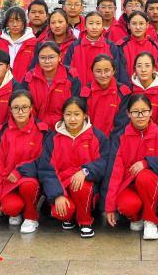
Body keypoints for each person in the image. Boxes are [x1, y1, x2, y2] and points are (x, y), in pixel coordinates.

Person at [103, 93, 158, 240]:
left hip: (155, 186)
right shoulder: (120, 137)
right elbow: (114, 173)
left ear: (151, 112)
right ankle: (137, 217)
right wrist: (109, 206)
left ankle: (150, 221)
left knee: (144, 176)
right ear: (128, 114)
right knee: (127, 206)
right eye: (135, 112)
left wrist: (147, 163)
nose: (140, 116)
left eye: (144, 111)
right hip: (128, 186)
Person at [38, 97, 109, 238]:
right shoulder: (53, 138)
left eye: (77, 114)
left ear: (85, 115)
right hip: (61, 186)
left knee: (80, 186)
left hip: (86, 187)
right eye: (68, 114)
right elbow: (46, 169)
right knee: (61, 212)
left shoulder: (97, 136)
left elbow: (104, 161)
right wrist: (57, 194)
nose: (72, 119)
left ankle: (85, 222)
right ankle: (69, 217)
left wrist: (86, 171)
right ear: (63, 115)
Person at [0, 89, 47, 234]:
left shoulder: (42, 131)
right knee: (11, 208)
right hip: (9, 184)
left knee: (28, 185)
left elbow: (43, 162)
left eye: (24, 107)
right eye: (16, 108)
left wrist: (20, 171)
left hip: (31, 182)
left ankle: (31, 217)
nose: (20, 112)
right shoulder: (3, 133)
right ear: (10, 110)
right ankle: (18, 211)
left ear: (31, 108)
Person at [18, 41, 80, 129]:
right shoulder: (29, 78)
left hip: (64, 128)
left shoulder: (71, 78)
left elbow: (76, 107)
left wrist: (63, 125)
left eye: (51, 57)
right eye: (43, 58)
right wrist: (37, 124)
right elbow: (23, 105)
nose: (47, 61)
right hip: (35, 127)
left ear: (59, 57)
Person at [114, 51, 158, 133]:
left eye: (147, 66)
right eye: (139, 66)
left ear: (154, 69)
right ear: (135, 69)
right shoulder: (128, 91)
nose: (143, 70)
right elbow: (123, 120)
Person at [65, 11, 124, 87]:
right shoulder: (74, 46)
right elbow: (67, 70)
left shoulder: (110, 46)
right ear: (85, 26)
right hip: (79, 90)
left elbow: (116, 71)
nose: (94, 27)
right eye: (90, 23)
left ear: (102, 26)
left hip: (104, 91)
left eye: (98, 23)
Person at [82, 54, 130, 135]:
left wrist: (111, 140)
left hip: (114, 139)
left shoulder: (123, 92)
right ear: (92, 72)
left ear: (113, 71)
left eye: (107, 71)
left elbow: (122, 123)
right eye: (98, 71)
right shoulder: (85, 92)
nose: (103, 75)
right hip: (90, 138)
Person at [117, 11, 158, 80]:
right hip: (128, 86)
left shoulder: (156, 47)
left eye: (141, 24)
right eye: (134, 24)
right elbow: (120, 73)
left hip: (153, 86)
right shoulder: (120, 46)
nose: (138, 27)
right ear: (128, 25)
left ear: (147, 25)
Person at [0, 7, 37, 80]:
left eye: (19, 21)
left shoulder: (33, 43)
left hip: (25, 84)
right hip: (3, 83)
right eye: (11, 21)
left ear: (24, 22)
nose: (15, 24)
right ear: (7, 23)